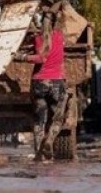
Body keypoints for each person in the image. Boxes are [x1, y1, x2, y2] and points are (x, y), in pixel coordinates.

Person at [13, 9, 66, 160]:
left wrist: (21, 57)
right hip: (57, 82)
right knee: (57, 119)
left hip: (39, 82)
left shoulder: (38, 38)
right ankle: (49, 141)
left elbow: (40, 58)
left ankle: (38, 154)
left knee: (39, 120)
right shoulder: (60, 36)